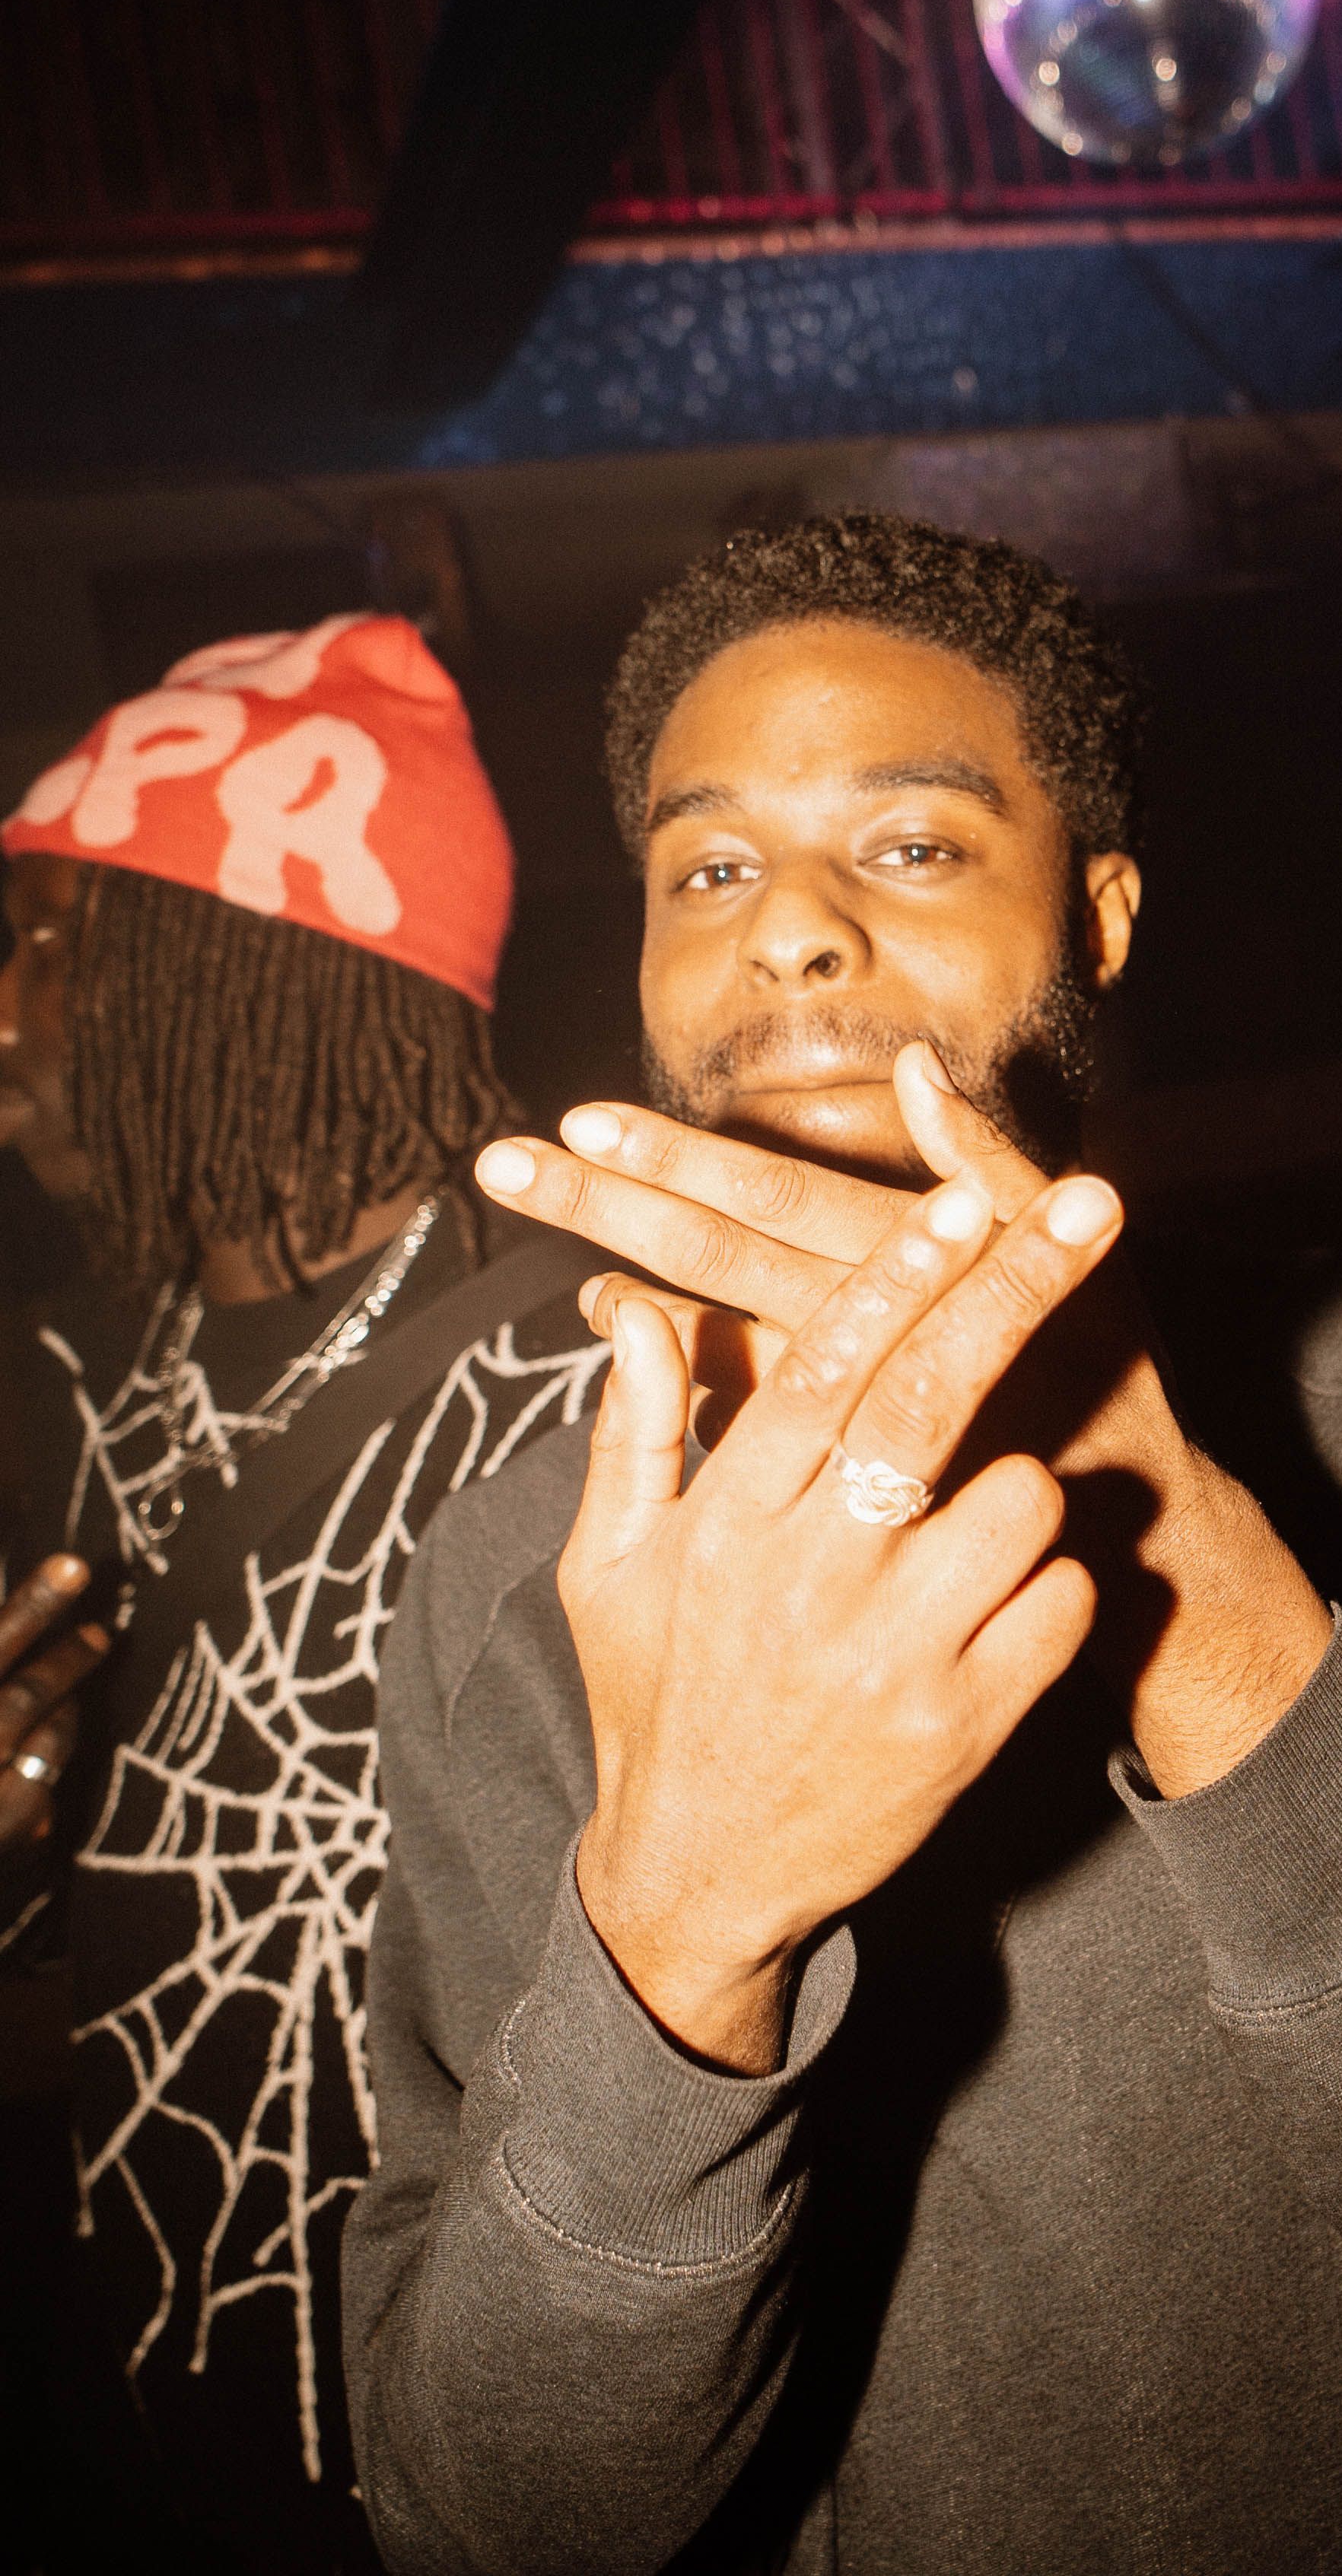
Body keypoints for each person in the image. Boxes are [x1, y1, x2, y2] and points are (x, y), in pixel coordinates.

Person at [345, 516, 1342, 2576]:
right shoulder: (520, 1580)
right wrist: (683, 1928)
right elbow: (489, 2526)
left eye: (912, 845)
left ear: (1103, 915)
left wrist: (1203, 1583)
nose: (790, 935)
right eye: (708, 870)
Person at [0, 612, 612, 2576]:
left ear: (239, 961)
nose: (2, 1018)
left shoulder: (598, 1370)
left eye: (48, 945)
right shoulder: (59, 1393)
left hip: (525, 2418)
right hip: (145, 2387)